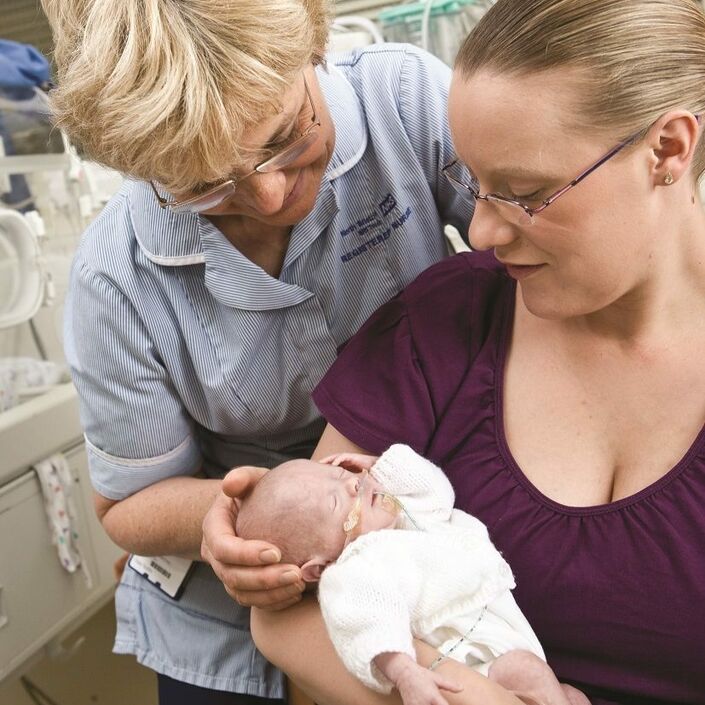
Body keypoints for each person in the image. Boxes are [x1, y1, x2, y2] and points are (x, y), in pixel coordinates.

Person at [205, 1, 705, 703]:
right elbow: (288, 615)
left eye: (524, 195)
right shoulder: (446, 321)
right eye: (474, 183)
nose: (478, 231)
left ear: (668, 149)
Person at [41, 0, 474, 702]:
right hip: (229, 610)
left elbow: (538, 249)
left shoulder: (408, 102)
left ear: (314, 47)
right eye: (204, 187)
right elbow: (129, 503)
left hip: (418, 529)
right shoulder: (112, 277)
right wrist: (228, 520)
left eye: (285, 136)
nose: (270, 194)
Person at [236, 445, 589, 705]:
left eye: (339, 474)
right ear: (317, 566)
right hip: (475, 656)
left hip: (497, 630)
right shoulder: (354, 569)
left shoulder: (401, 515)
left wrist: (381, 467)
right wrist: (405, 673)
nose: (349, 485)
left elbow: (438, 493)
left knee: (572, 695)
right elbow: (368, 628)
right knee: (526, 672)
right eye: (333, 503)